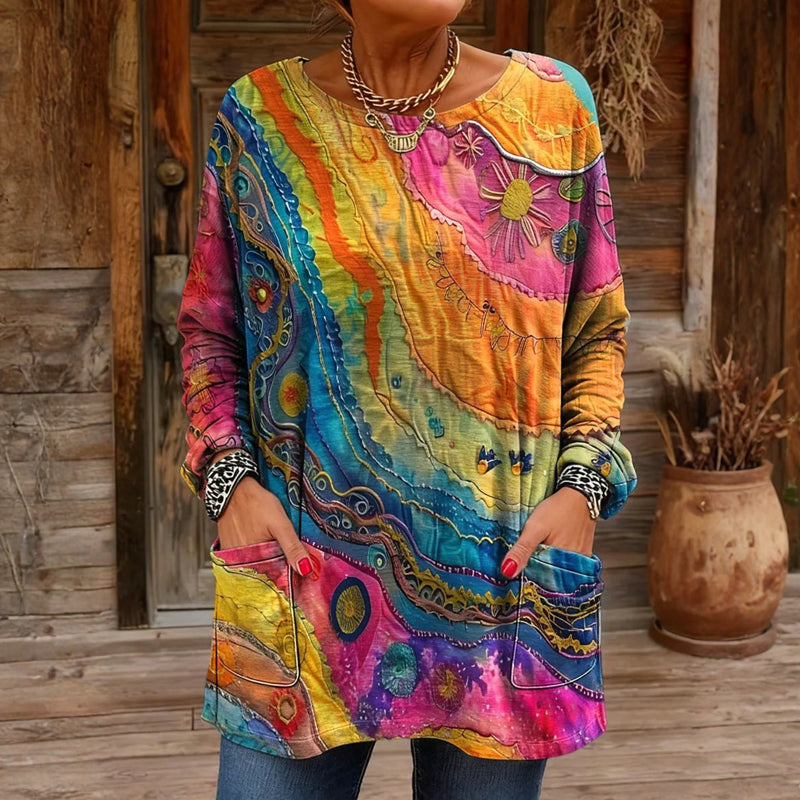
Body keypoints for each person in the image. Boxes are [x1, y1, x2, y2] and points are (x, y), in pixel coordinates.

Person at [176, 1, 638, 797]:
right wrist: (229, 482)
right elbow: (210, 329)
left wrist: (582, 487)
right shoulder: (261, 117)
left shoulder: (553, 108)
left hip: (503, 591)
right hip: (300, 588)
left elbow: (595, 328)